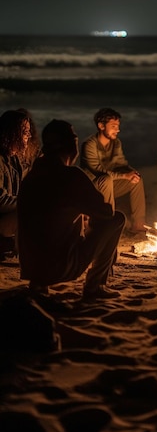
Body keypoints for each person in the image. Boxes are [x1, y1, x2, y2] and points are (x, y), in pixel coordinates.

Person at [17, 119, 126, 300]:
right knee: (117, 219)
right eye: (74, 138)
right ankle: (95, 286)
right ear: (71, 144)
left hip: (31, 268)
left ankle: (38, 286)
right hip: (60, 267)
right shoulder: (71, 176)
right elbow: (105, 212)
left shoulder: (32, 175)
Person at [80, 108, 146, 234]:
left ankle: (138, 223)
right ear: (101, 126)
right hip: (92, 188)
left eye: (118, 126)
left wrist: (131, 173)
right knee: (106, 179)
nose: (118, 130)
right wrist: (124, 175)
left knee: (136, 179)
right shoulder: (89, 145)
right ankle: (108, 223)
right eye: (114, 126)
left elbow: (121, 164)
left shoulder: (116, 143)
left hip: (109, 185)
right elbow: (98, 170)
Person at [0, 109, 33, 260]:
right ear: (12, 133)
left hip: (8, 218)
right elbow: (1, 200)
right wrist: (27, 202)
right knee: (28, 211)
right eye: (25, 132)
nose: (29, 136)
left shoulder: (16, 160)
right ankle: (27, 260)